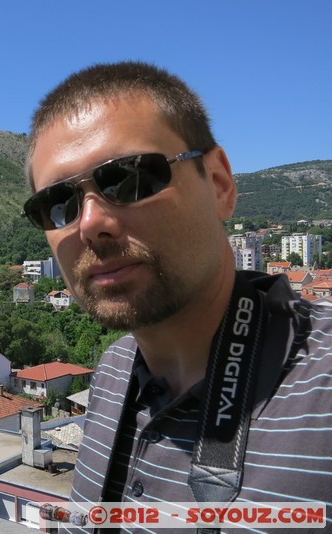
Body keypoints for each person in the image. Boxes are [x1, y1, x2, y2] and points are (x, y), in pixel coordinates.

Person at [23, 61, 331, 529]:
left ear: (221, 185)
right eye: (58, 204)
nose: (90, 223)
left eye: (130, 178)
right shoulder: (111, 375)